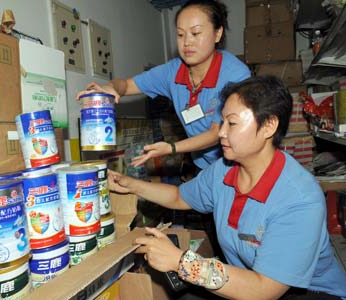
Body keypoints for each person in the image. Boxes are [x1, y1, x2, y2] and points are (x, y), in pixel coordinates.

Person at [108, 76, 346, 300]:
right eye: (223, 122)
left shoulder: (299, 198)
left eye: (232, 123)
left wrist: (181, 262)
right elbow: (181, 196)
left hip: (305, 293)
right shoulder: (225, 168)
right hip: (250, 280)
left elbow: (266, 289)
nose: (221, 132)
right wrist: (130, 185)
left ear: (269, 126)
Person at [76, 0, 251, 171]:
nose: (186, 42)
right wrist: (111, 87)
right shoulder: (172, 72)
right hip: (203, 164)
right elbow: (127, 85)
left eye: (196, 33)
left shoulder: (235, 74)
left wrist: (171, 148)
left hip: (237, 163)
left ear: (217, 33)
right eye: (181, 34)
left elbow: (217, 133)